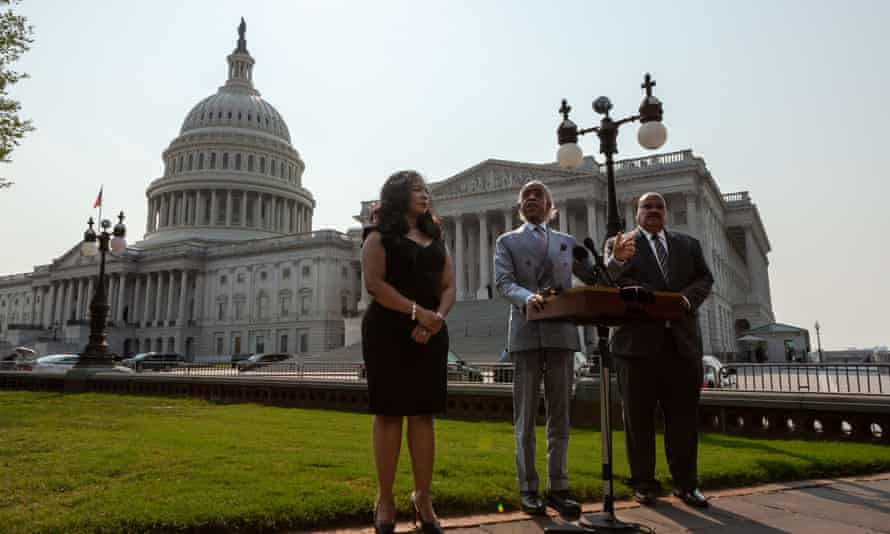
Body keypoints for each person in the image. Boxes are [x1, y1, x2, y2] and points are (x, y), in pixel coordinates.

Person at [494, 180, 633, 519]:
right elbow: (503, 282)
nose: (530, 199)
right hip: (527, 331)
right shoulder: (507, 241)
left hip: (561, 334)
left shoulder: (567, 243)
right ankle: (528, 488)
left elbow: (597, 279)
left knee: (561, 416)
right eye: (525, 195)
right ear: (519, 205)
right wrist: (529, 298)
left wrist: (615, 260)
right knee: (525, 417)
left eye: (537, 195)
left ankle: (559, 487)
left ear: (550, 206)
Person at [604, 191, 714, 508]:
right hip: (636, 346)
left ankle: (687, 484)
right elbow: (609, 282)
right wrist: (629, 276)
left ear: (665, 213)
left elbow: (704, 279)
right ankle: (644, 483)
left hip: (681, 344)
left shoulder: (687, 245)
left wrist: (685, 300)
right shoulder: (620, 244)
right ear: (635, 213)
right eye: (646, 207)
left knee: (683, 419)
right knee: (637, 420)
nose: (653, 211)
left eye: (658, 207)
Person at [361, 170, 456, 534]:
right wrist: (418, 313)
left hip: (430, 331)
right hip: (388, 330)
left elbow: (449, 286)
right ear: (399, 196)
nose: (425, 194)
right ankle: (385, 498)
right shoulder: (378, 237)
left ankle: (423, 496)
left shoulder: (436, 238)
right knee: (388, 414)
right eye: (417, 189)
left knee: (423, 415)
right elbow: (374, 284)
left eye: (426, 189)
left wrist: (436, 319)